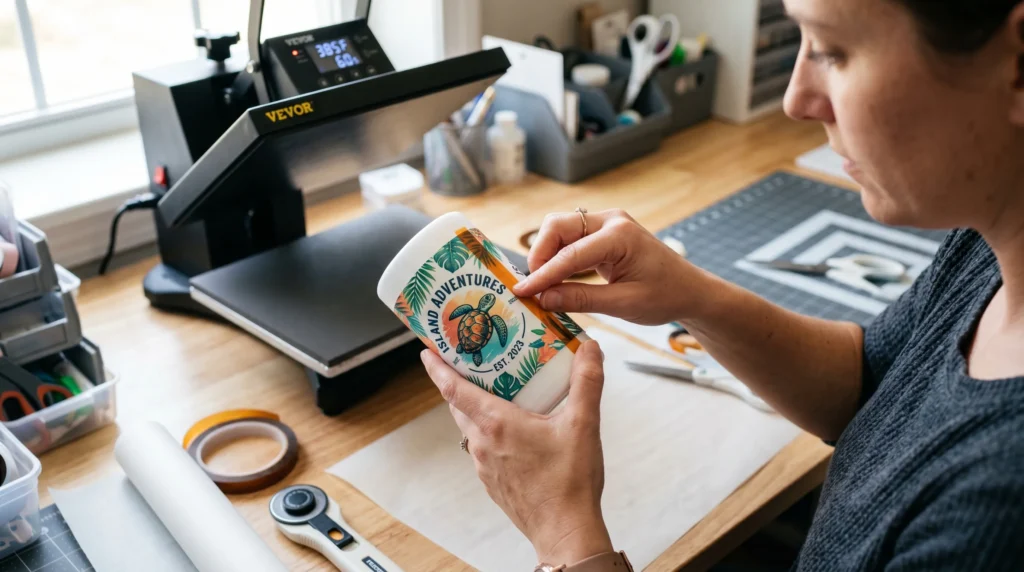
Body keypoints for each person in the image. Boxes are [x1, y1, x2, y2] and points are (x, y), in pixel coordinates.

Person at [420, 0, 1024, 569]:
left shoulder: (995, 510)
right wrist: (692, 296)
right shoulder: (990, 239)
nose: (796, 98)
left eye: (834, 51)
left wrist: (562, 531)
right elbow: (872, 386)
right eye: (799, 40)